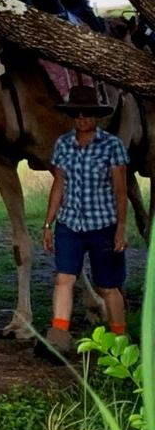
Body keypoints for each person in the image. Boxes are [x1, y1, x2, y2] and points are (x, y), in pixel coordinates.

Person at [42, 85, 129, 351]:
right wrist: (48, 223)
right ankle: (59, 336)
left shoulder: (111, 146)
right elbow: (59, 184)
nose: (82, 118)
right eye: (77, 114)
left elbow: (120, 189)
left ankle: (119, 339)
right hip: (69, 224)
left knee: (108, 286)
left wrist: (121, 229)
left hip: (103, 223)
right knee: (64, 279)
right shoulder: (63, 144)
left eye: (87, 113)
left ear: (97, 116)